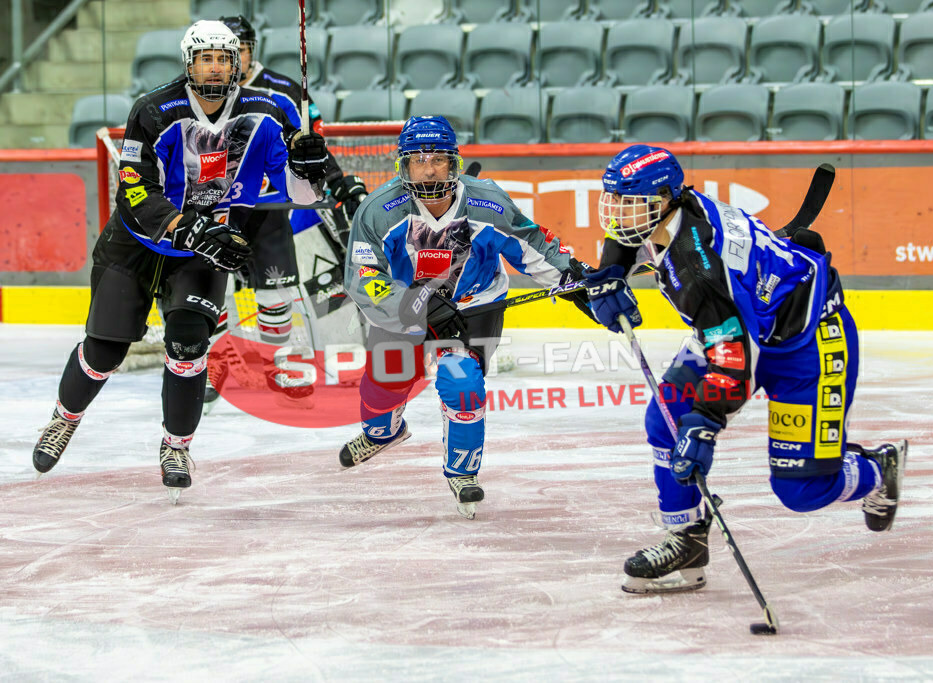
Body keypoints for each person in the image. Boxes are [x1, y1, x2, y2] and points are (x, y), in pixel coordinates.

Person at [582, 144, 907, 594]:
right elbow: (624, 238)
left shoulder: (697, 267)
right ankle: (685, 540)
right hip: (744, 325)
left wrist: (705, 422)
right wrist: (610, 275)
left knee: (802, 490)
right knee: (667, 417)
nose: (618, 211)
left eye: (630, 201)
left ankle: (876, 468)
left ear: (664, 200)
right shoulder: (675, 210)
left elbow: (736, 359)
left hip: (808, 344)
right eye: (614, 199)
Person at [31, 20, 329, 502]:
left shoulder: (268, 111)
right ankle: (64, 419)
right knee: (104, 351)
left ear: (238, 64)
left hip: (203, 248)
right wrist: (187, 227)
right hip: (137, 244)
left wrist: (307, 166)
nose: (215, 68)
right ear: (189, 64)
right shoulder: (153, 109)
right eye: (205, 58)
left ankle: (176, 447)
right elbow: (133, 190)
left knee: (189, 345)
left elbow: (300, 193)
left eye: (224, 59)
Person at [339, 115, 592, 519]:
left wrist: (573, 278)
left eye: (438, 159)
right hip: (404, 311)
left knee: (463, 383)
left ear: (453, 162)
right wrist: (412, 304)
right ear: (403, 165)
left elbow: (534, 247)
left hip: (473, 306)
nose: (429, 170)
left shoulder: (488, 202)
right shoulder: (378, 211)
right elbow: (361, 275)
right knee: (385, 382)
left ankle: (463, 472)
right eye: (418, 160)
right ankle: (383, 432)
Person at [202, 15, 367, 410]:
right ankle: (213, 361)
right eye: (221, 53)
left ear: (250, 51)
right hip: (214, 207)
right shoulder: (200, 93)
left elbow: (310, 146)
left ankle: (276, 361)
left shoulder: (282, 91)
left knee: (275, 293)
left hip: (268, 205)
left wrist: (335, 179)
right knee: (208, 289)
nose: (231, 59)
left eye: (238, 50)